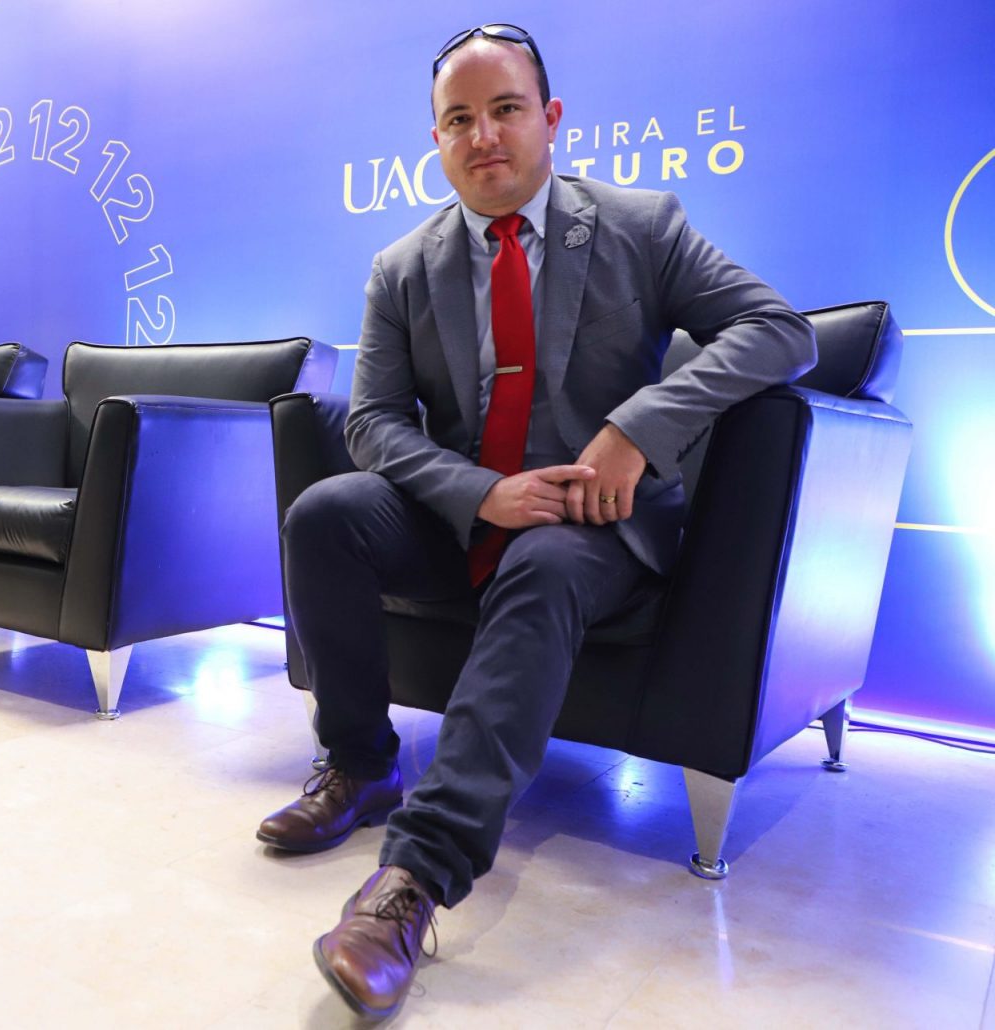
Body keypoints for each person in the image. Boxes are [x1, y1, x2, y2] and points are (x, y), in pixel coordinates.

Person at [256, 23, 817, 1019]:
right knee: (325, 513)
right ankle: (360, 761)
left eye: (506, 109)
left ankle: (412, 878)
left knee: (547, 562)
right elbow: (375, 422)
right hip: (467, 514)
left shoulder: (640, 225)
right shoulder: (402, 267)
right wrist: (482, 493)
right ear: (435, 139)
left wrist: (637, 430)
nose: (484, 136)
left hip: (595, 526)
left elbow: (779, 330)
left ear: (550, 119)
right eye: (459, 119)